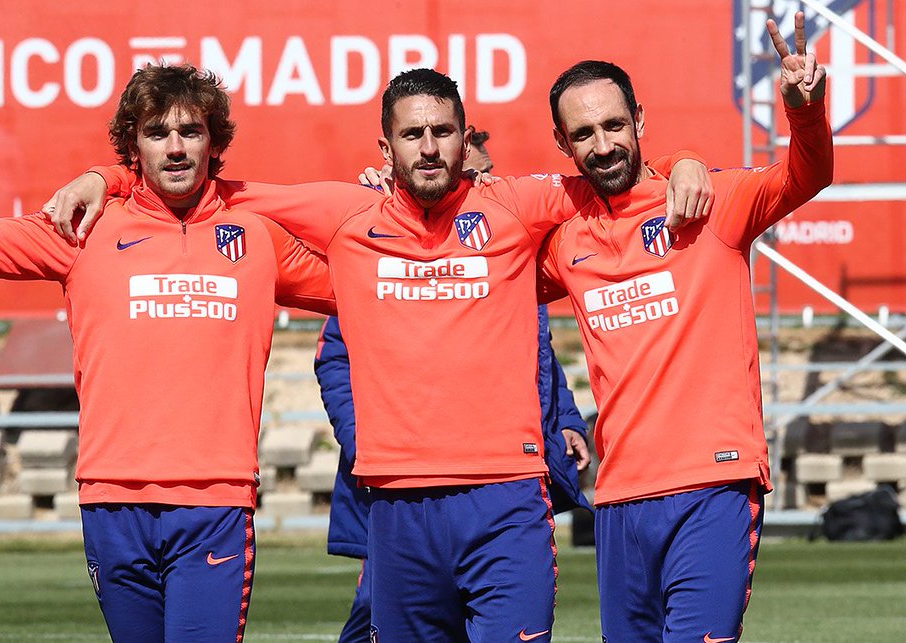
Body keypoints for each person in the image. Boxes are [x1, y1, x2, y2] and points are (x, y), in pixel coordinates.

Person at [42, 69, 711, 641]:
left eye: (445, 133)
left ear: (466, 141)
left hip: (504, 495)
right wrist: (115, 178)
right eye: (413, 136)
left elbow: (614, 181)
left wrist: (684, 159)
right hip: (397, 500)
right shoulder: (355, 228)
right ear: (387, 148)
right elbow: (203, 187)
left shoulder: (517, 213)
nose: (431, 148)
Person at [0, 64, 336, 643]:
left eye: (190, 132)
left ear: (214, 141)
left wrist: (407, 210)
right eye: (157, 133)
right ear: (133, 145)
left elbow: (366, 291)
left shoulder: (256, 237)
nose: (175, 148)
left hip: (214, 504)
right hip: (109, 503)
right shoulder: (85, 227)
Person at [536, 15, 832, 641]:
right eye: (583, 133)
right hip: (618, 499)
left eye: (614, 125)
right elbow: (472, 266)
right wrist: (392, 193)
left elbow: (806, 177)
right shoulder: (564, 242)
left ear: (639, 121)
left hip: (713, 486)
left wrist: (805, 112)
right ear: (564, 146)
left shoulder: (709, 203)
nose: (603, 144)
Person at [316, 304, 590, 643]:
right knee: (369, 618)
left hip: (501, 489)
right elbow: (335, 355)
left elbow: (534, 346)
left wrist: (563, 418)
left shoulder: (510, 252)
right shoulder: (373, 256)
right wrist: (368, 440)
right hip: (405, 493)